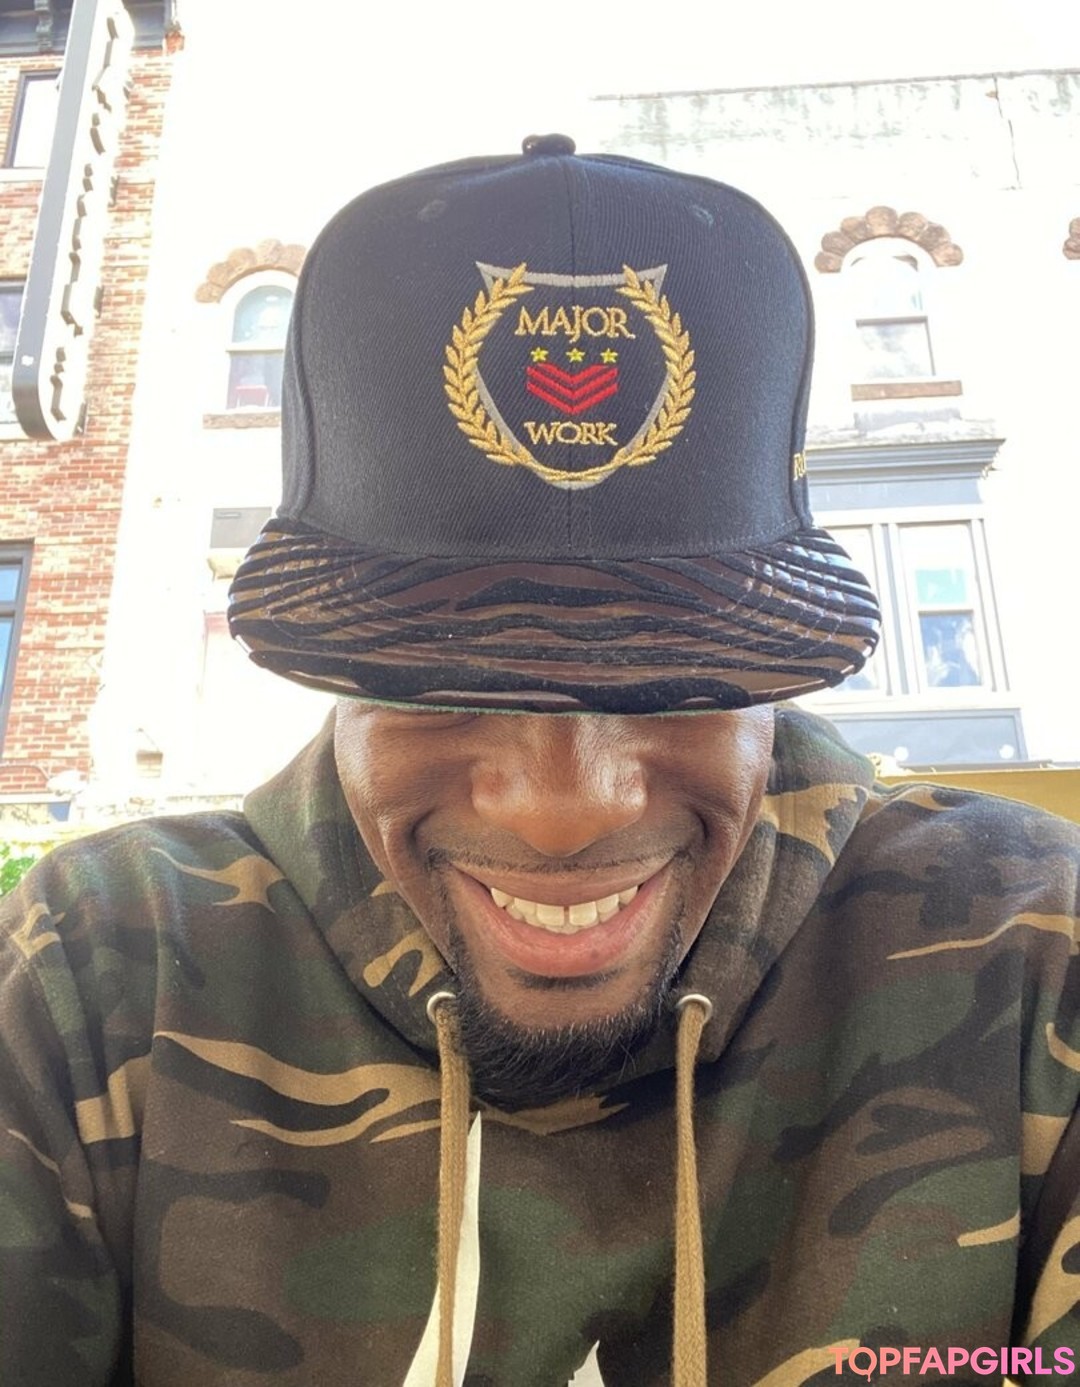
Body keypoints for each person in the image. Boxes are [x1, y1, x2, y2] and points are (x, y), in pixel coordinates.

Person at [1, 134, 1078, 1387]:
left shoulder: (1028, 948)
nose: (567, 807)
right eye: (443, 679)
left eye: (675, 680)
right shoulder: (106, 970)